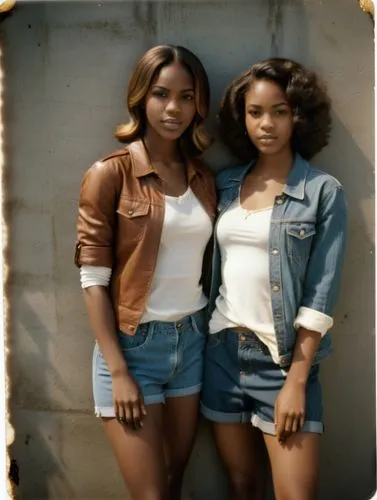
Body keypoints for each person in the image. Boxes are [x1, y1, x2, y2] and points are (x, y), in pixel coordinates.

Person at [201, 58, 347, 500]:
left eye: (280, 111)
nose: (267, 124)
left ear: (299, 115)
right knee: (242, 487)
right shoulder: (225, 183)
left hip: (283, 364)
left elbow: (321, 295)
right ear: (240, 117)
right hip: (221, 354)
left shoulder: (323, 191)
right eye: (255, 112)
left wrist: (296, 382)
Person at [74, 44, 216, 500]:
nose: (173, 108)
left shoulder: (203, 177)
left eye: (187, 97)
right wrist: (118, 371)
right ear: (140, 98)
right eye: (161, 94)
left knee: (174, 483)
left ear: (199, 105)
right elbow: (93, 282)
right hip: (133, 349)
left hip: (191, 342)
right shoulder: (108, 174)